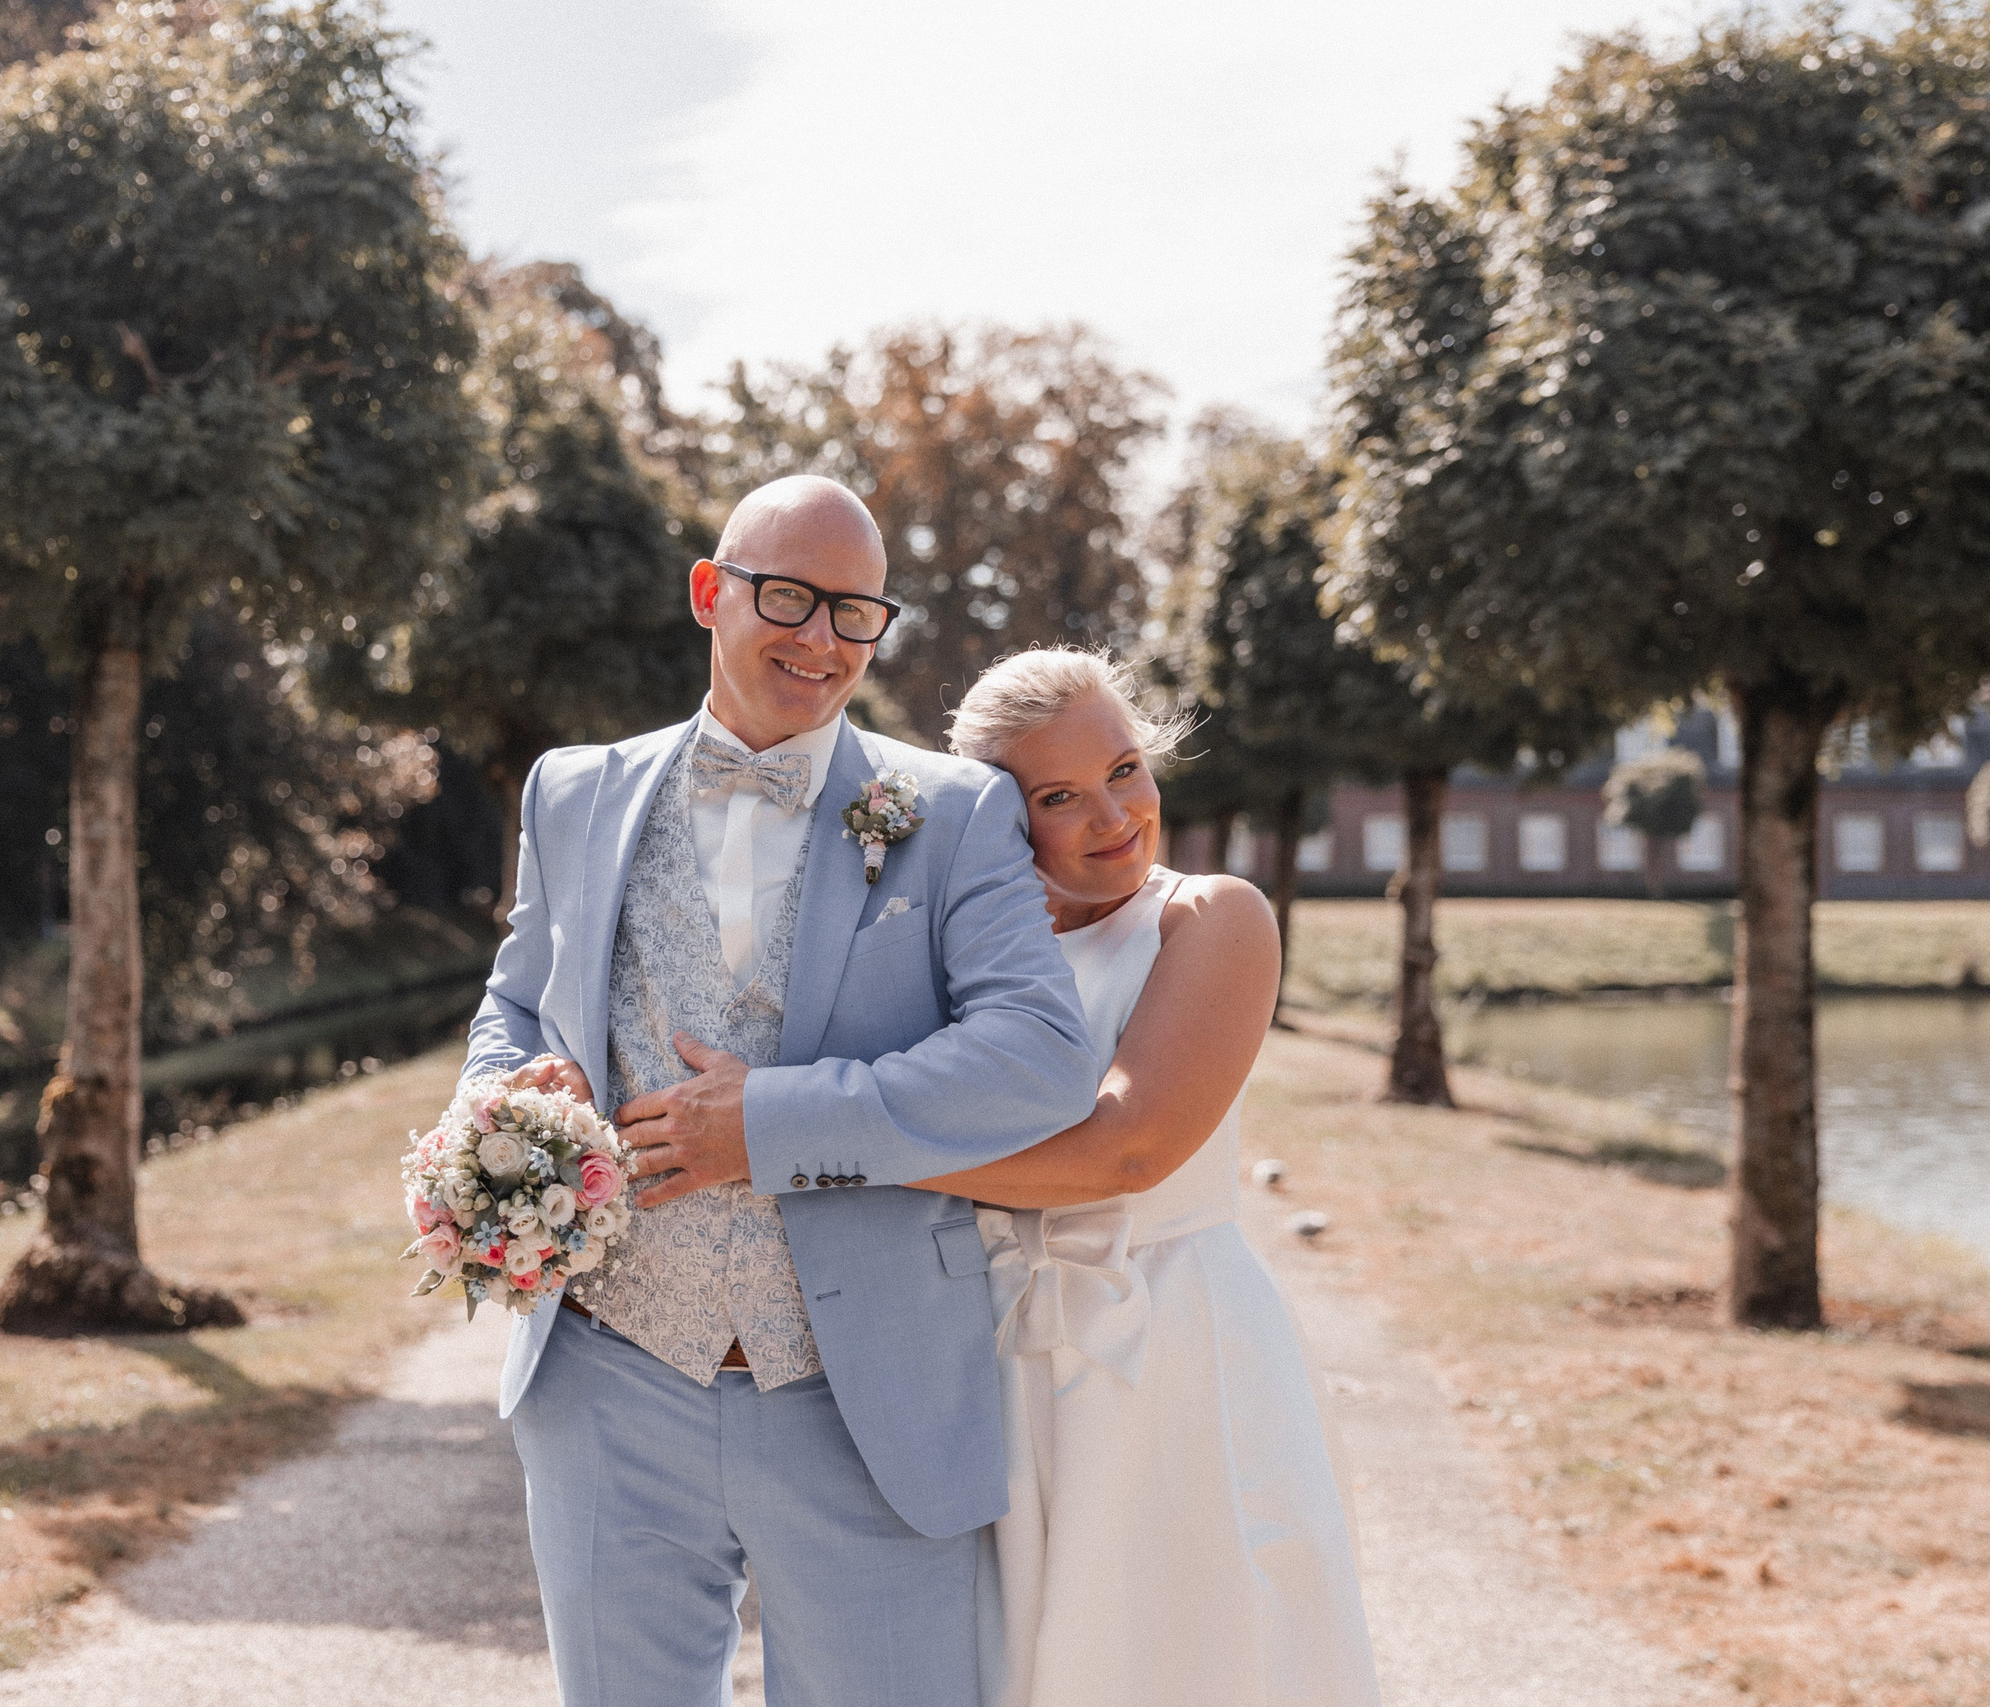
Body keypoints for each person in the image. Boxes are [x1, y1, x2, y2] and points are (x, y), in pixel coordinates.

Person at [460, 476, 1099, 1707]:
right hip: (607, 1376)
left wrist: (771, 1124)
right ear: (712, 592)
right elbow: (517, 997)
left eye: (856, 614)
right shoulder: (573, 790)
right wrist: (506, 1095)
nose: (821, 640)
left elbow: (1039, 1054)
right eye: (790, 599)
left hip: (868, 1397)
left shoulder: (956, 812)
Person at [920, 647, 1381, 1707]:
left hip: (1172, 1342)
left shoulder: (1211, 917)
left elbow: (1126, 1151)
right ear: (998, 820)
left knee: (1197, 1652)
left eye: (1126, 769)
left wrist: (844, 1158)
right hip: (985, 1353)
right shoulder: (952, 954)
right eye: (1060, 796)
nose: (1115, 815)